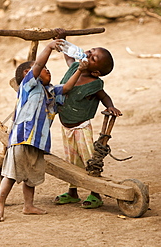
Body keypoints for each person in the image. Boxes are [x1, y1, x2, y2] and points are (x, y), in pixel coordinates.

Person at [0, 37, 88, 222]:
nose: (47, 70)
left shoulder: (51, 91)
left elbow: (67, 88)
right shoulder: (28, 86)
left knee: (32, 176)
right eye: (45, 69)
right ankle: (0, 203)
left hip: (39, 141)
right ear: (29, 72)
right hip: (22, 137)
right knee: (12, 174)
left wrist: (80, 70)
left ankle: (28, 206)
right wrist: (49, 47)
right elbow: (38, 65)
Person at [54, 36, 122, 209]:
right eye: (90, 51)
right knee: (71, 160)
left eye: (93, 58)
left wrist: (111, 106)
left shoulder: (94, 84)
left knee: (89, 160)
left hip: (81, 127)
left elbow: (104, 96)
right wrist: (62, 40)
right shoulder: (75, 67)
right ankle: (72, 192)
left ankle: (95, 193)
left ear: (96, 72)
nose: (88, 54)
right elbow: (69, 57)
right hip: (66, 125)